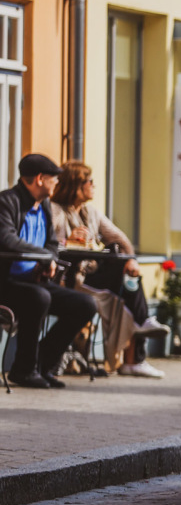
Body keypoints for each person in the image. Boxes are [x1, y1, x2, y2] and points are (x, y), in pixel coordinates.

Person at [50, 161, 168, 378]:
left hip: (91, 275)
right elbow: (49, 245)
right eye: (90, 181)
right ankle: (137, 348)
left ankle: (138, 340)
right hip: (68, 277)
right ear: (76, 185)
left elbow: (121, 240)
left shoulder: (90, 213)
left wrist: (131, 261)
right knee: (125, 291)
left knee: (126, 270)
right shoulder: (55, 210)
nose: (94, 186)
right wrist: (68, 240)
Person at [0, 154, 97, 388]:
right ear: (40, 179)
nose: (57, 183)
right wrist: (43, 257)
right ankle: (23, 371)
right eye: (54, 178)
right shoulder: (7, 201)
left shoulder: (42, 204)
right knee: (38, 297)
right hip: (7, 283)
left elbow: (52, 244)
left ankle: (41, 365)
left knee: (85, 305)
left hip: (34, 282)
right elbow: (6, 239)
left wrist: (49, 259)